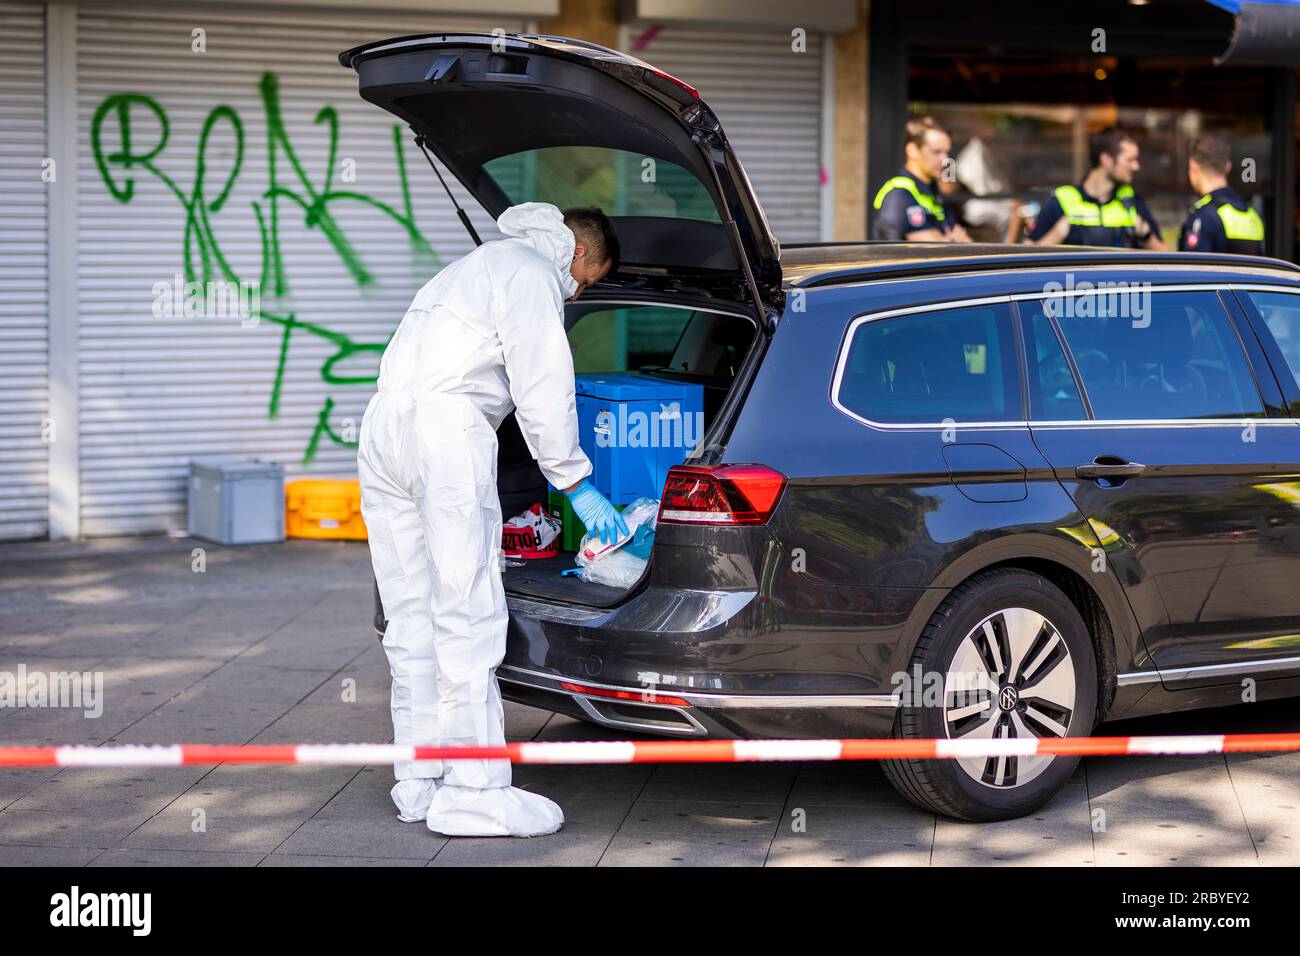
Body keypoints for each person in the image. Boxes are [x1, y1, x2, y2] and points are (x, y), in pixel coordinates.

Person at [357, 202, 629, 837]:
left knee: (410, 610)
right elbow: (544, 386)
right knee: (468, 609)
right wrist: (576, 484)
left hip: (384, 429)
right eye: (588, 283)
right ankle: (475, 790)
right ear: (580, 254)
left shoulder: (470, 267)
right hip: (444, 435)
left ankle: (421, 777)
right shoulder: (533, 273)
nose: (579, 290)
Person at [1026, 126, 1166, 249]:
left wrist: (1146, 235)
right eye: (1130, 160)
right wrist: (1057, 234)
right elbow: (1027, 254)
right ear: (1106, 159)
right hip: (1073, 280)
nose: (1136, 167)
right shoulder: (1062, 200)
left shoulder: (1132, 201)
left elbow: (1165, 254)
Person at [871, 116, 972, 242]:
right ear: (912, 150)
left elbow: (965, 242)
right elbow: (930, 251)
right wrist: (951, 241)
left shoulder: (934, 190)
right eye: (936, 152)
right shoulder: (900, 194)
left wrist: (949, 240)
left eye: (947, 152)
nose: (945, 160)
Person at [1178, 133, 1265, 255]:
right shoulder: (1251, 216)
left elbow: (1194, 271)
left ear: (1193, 165)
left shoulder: (1203, 216)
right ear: (1227, 167)